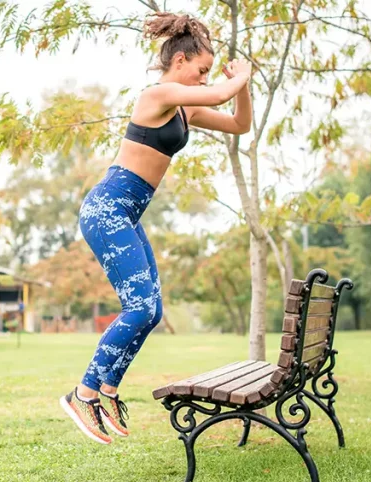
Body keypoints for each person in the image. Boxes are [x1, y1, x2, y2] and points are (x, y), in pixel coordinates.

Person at [59, 11, 254, 444]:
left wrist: (246, 86)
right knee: (139, 308)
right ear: (180, 61)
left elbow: (240, 124)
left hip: (125, 214)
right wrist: (236, 77)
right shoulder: (157, 94)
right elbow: (221, 94)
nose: (204, 79)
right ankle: (82, 393)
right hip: (106, 208)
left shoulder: (185, 109)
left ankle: (108, 391)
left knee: (153, 311)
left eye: (208, 73)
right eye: (201, 70)